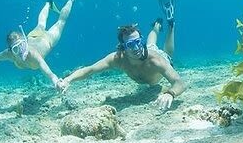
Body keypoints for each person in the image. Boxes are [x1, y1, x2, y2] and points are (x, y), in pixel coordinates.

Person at [0, 0, 84, 89]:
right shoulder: (9, 54)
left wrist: (56, 81)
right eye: (16, 49)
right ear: (11, 51)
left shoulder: (33, 55)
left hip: (47, 39)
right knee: (40, 24)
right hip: (33, 35)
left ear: (25, 41)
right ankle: (48, 4)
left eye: (22, 45)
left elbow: (47, 71)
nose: (21, 51)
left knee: (60, 22)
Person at [57, 18, 185, 110]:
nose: (136, 48)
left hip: (158, 55)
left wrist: (170, 93)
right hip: (148, 54)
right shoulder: (118, 58)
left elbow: (179, 83)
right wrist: (68, 79)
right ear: (123, 47)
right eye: (130, 44)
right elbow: (90, 70)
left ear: (141, 40)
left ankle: (170, 26)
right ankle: (156, 26)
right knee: (152, 44)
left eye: (138, 42)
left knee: (166, 53)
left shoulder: (156, 61)